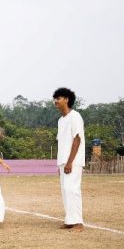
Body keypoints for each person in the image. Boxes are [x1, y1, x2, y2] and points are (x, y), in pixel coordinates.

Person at [53, 87, 85, 232]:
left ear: (66, 99)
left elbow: (77, 140)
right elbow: (62, 143)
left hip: (73, 161)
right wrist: (61, 164)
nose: (55, 101)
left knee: (73, 190)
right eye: (55, 99)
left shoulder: (75, 116)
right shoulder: (61, 120)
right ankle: (70, 220)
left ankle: (78, 223)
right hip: (63, 162)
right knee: (65, 191)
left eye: (58, 98)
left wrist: (70, 162)